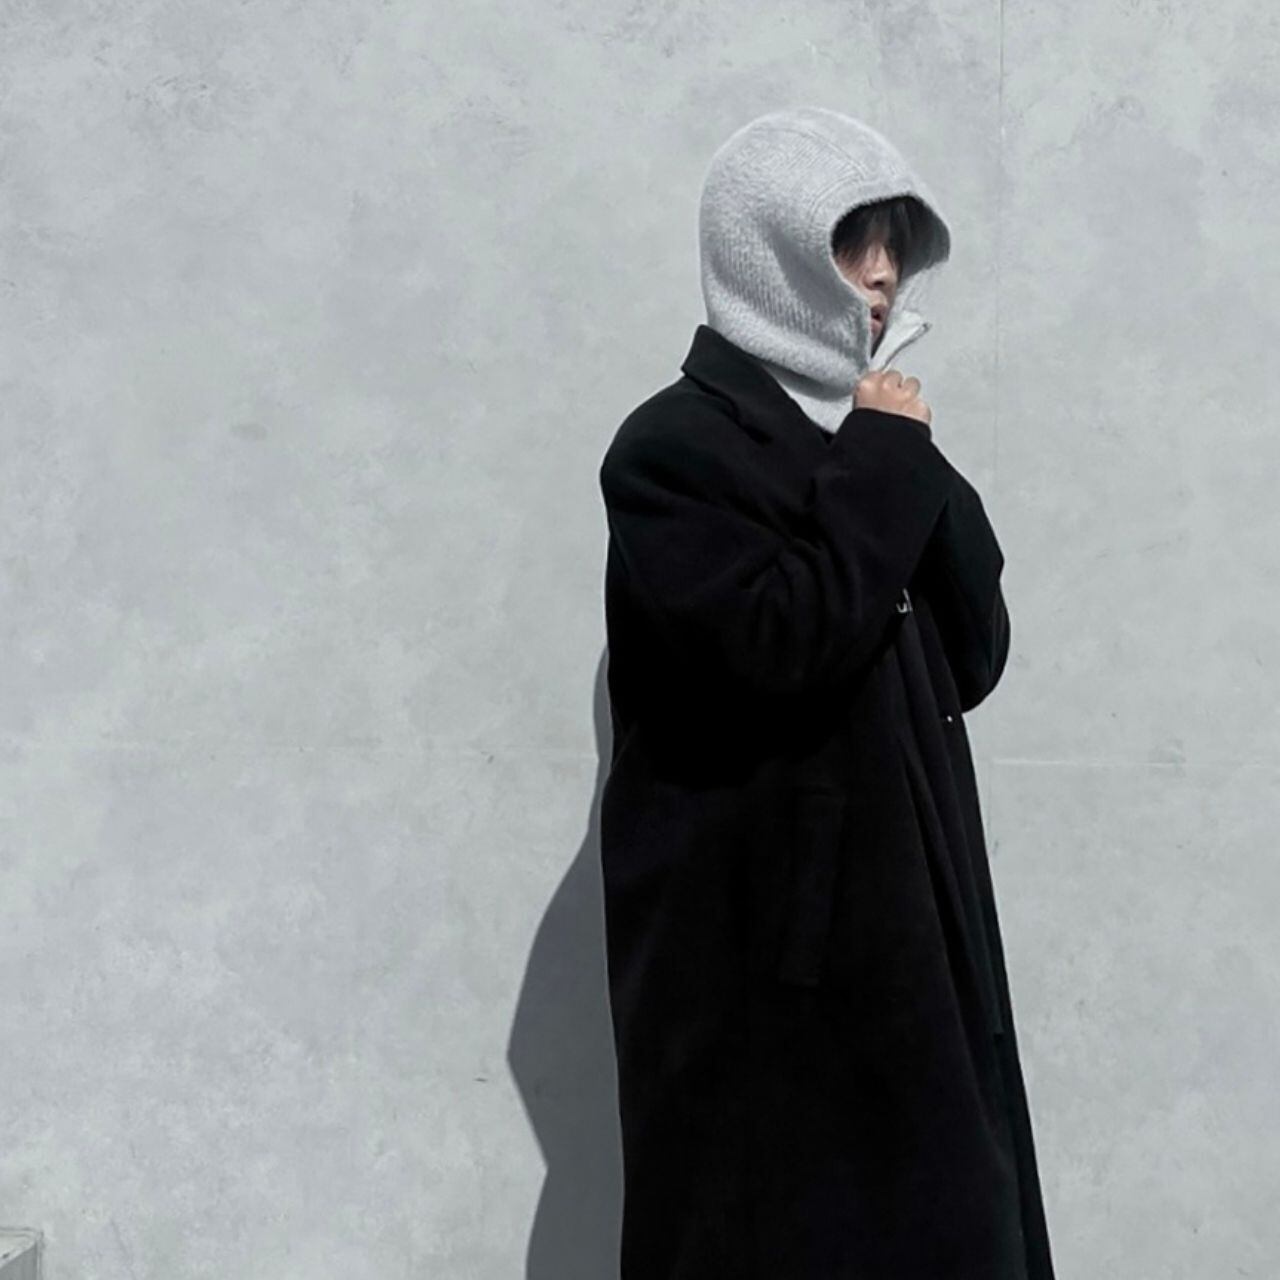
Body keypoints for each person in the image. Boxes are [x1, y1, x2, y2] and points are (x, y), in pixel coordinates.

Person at [596, 105, 1056, 1279]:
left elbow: (973, 650)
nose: (884, 272)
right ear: (772, 248)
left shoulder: (861, 431)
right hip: (771, 983)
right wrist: (879, 457)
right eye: (855, 240)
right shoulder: (673, 450)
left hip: (910, 940)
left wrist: (899, 448)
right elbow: (774, 647)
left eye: (894, 240)